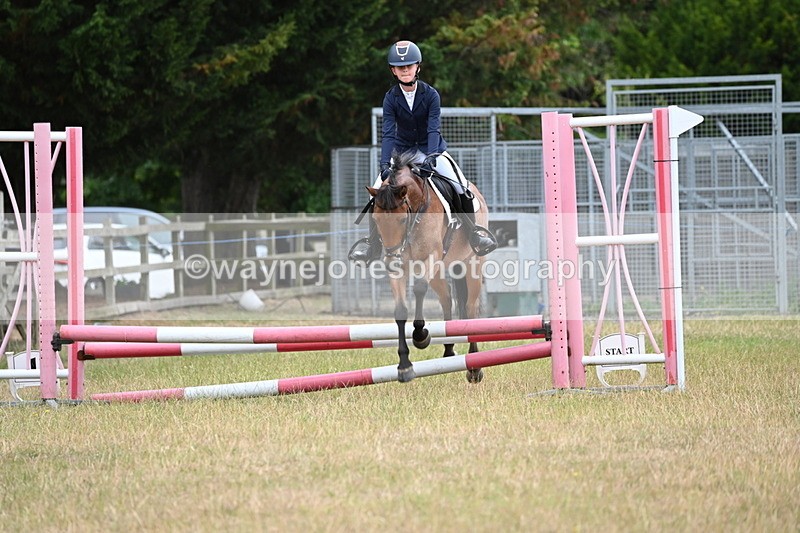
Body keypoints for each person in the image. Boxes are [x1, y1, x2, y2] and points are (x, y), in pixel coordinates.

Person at [348, 40, 497, 263]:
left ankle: (474, 233)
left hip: (431, 150)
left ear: (418, 67)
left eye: (409, 65)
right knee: (379, 192)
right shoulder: (390, 98)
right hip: (402, 153)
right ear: (393, 70)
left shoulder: (431, 95)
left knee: (459, 186)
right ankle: (372, 244)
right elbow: (388, 133)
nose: (405, 70)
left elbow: (433, 128)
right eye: (400, 67)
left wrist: (432, 157)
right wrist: (383, 163)